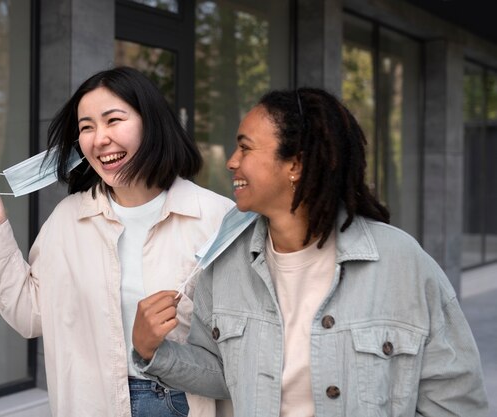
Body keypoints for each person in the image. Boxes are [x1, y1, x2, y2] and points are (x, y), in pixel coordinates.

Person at [132, 87, 489, 417]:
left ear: (296, 165)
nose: (231, 161)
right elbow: (224, 373)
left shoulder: (401, 263)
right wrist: (153, 352)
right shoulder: (225, 264)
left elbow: (453, 397)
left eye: (245, 147)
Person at [0, 66, 234, 417]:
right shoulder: (68, 219)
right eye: (86, 127)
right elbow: (27, 315)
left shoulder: (216, 218)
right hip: (93, 403)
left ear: (150, 122)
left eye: (113, 120)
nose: (99, 139)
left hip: (181, 402)